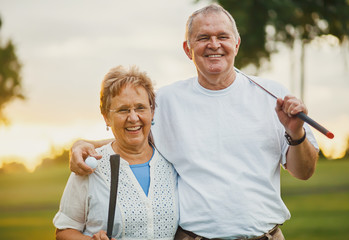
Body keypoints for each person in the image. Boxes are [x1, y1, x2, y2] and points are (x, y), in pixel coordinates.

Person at [70, 4, 319, 240]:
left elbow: (304, 172)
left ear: (236, 43)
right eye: (203, 38)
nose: (214, 45)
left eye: (222, 36)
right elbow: (133, 139)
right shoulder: (166, 101)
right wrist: (85, 144)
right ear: (187, 49)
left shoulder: (272, 95)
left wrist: (296, 132)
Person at [53, 65, 178, 240]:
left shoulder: (172, 161)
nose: (133, 118)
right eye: (123, 110)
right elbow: (64, 231)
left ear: (152, 111)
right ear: (106, 116)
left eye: (140, 108)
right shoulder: (90, 166)